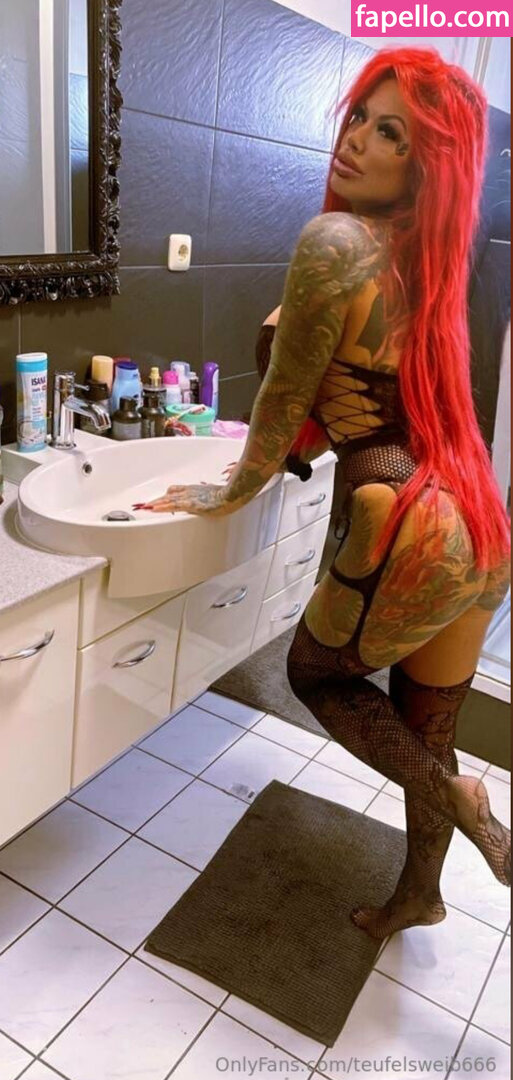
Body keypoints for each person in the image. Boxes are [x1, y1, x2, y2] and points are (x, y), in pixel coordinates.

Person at [140, 47, 511, 939]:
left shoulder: (334, 244)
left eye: (393, 135)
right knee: (424, 726)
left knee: (314, 677)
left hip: (399, 514)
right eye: (359, 118)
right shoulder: (428, 263)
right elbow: (364, 402)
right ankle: (419, 893)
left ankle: (458, 799)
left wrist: (223, 493)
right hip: (473, 522)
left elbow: (280, 407)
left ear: (423, 168)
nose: (357, 140)